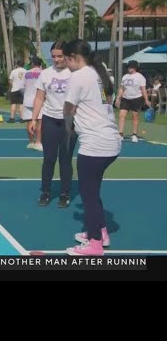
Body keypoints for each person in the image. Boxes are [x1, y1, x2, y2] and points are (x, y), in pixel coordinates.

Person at [63, 40, 121, 256]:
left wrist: (68, 132)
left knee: (88, 196)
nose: (65, 65)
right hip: (109, 141)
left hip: (95, 145)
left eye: (65, 60)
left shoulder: (79, 76)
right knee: (92, 192)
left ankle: (95, 244)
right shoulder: (98, 72)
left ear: (72, 57)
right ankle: (100, 232)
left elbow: (68, 109)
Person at [29, 41, 76, 208]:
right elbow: (39, 98)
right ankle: (46, 192)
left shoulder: (75, 73)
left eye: (60, 56)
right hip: (49, 119)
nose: (56, 60)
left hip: (69, 122)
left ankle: (65, 193)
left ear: (68, 55)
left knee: (65, 159)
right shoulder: (45, 74)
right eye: (53, 56)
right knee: (48, 158)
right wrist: (34, 119)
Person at [115, 60, 151, 142]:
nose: (128, 68)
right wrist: (118, 98)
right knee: (121, 115)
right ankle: (120, 134)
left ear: (134, 68)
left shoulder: (140, 77)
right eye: (128, 67)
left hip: (136, 99)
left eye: (130, 67)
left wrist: (146, 99)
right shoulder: (125, 76)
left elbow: (143, 89)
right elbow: (122, 88)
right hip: (125, 99)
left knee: (135, 117)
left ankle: (134, 135)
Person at [22, 56, 43, 151]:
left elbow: (23, 86)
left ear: (33, 63)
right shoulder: (43, 73)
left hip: (27, 99)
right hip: (39, 100)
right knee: (39, 122)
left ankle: (31, 142)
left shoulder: (26, 73)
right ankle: (38, 142)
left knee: (29, 122)